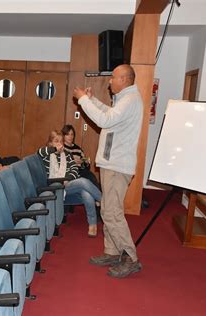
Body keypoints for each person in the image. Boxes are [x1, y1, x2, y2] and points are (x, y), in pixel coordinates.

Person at [73, 64, 143, 278]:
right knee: (108, 209)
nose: (109, 81)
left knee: (112, 212)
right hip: (112, 164)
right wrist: (92, 100)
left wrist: (83, 100)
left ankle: (131, 258)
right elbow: (110, 115)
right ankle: (113, 252)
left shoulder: (130, 99)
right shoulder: (125, 100)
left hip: (117, 165)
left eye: (113, 77)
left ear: (124, 79)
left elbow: (105, 120)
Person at [37, 130, 101, 238]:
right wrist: (54, 149)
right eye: (56, 141)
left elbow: (75, 170)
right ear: (50, 143)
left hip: (68, 186)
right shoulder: (46, 154)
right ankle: (102, 200)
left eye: (61, 141)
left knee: (86, 192)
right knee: (83, 182)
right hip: (54, 188)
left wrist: (68, 179)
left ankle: (92, 225)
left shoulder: (66, 154)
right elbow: (40, 152)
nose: (59, 144)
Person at [61, 124, 100, 189]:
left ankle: (99, 193)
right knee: (87, 177)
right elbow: (60, 163)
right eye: (67, 134)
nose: (70, 137)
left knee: (90, 175)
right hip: (69, 172)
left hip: (80, 171)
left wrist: (84, 162)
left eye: (72, 134)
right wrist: (72, 162)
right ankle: (100, 196)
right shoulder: (62, 148)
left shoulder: (78, 149)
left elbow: (86, 165)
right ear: (63, 136)